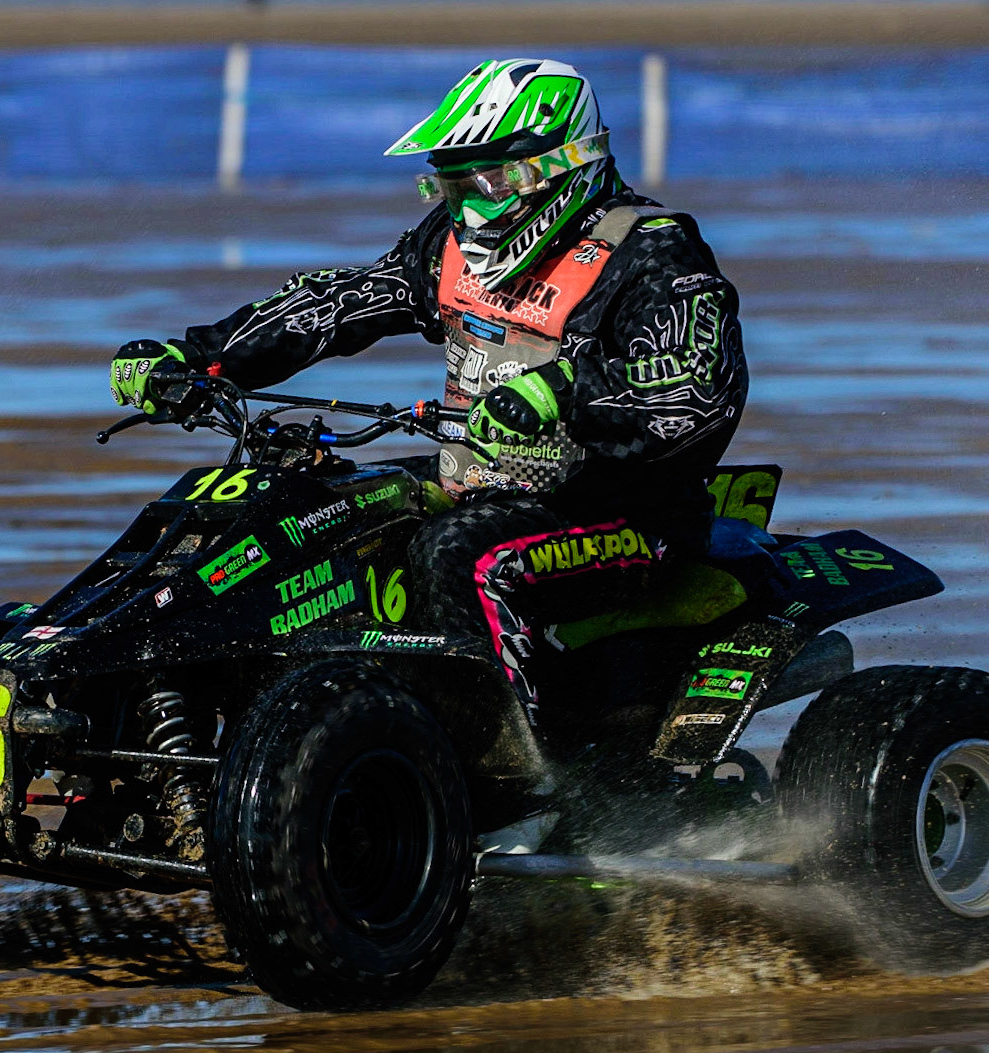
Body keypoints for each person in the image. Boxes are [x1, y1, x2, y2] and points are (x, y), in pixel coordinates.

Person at [111, 58, 751, 726]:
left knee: (455, 555)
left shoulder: (651, 253)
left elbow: (700, 389)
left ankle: (518, 771)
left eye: (488, 182)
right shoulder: (449, 244)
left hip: (628, 517)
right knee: (323, 515)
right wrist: (201, 357)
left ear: (560, 168)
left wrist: (562, 393)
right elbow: (340, 302)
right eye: (454, 185)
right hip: (484, 485)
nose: (470, 208)